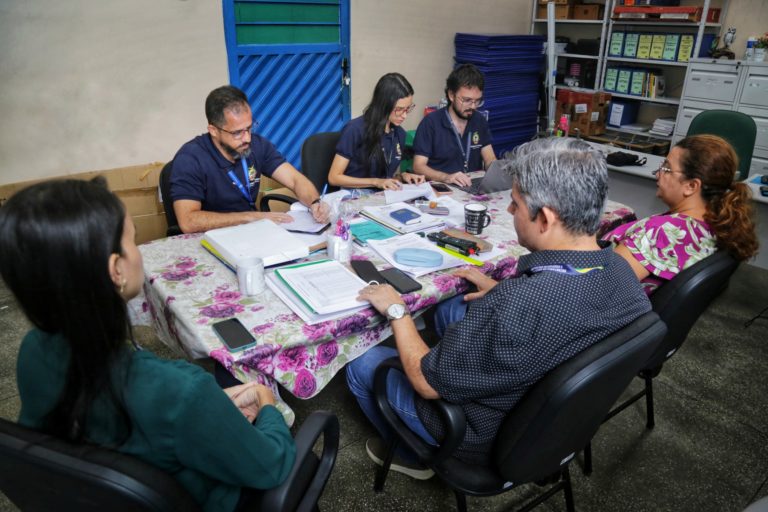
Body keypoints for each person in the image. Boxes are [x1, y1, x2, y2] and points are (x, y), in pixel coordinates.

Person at [346, 137, 651, 476]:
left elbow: (425, 383)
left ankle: (410, 456)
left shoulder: (520, 303)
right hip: (551, 429)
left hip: (478, 434)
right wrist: (500, 290)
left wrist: (397, 310)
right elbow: (548, 311)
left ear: (546, 219)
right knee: (452, 310)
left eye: (516, 204)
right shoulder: (622, 272)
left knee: (361, 363)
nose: (508, 210)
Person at [0, 178, 296, 511]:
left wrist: (208, 407)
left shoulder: (31, 351)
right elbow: (271, 466)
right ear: (116, 270)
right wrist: (267, 402)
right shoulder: (181, 390)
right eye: (133, 241)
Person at [604, 134, 759, 295]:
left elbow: (596, 288)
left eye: (666, 169)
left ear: (691, 186)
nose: (658, 174)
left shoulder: (662, 233)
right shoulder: (717, 223)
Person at [170, 85, 329, 234]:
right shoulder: (190, 159)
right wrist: (250, 217)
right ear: (214, 130)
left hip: (251, 232)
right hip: (211, 237)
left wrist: (314, 203)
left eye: (249, 128)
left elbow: (295, 179)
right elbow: (188, 221)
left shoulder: (258, 145)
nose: (247, 138)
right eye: (237, 133)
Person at [328, 73, 425, 191]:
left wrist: (402, 177)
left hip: (381, 197)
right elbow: (334, 177)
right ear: (383, 105)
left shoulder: (399, 134)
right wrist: (375, 182)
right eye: (399, 109)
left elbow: (386, 177)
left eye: (408, 108)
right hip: (353, 196)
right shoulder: (354, 129)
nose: (404, 115)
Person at [412, 63, 497, 188]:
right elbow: (418, 166)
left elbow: (489, 159)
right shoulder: (431, 123)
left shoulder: (479, 121)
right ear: (451, 95)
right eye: (467, 100)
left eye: (477, 101)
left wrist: (500, 169)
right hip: (441, 188)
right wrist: (447, 177)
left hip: (471, 187)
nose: (473, 106)